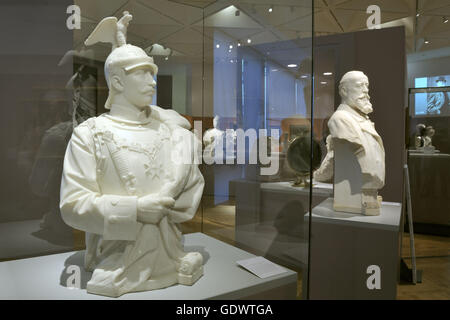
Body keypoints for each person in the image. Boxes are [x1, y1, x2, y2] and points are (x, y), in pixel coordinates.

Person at [60, 12, 204, 298]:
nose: (152, 81)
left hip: (171, 253)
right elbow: (72, 205)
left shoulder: (175, 136)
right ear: (117, 82)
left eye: (153, 73)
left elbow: (187, 199)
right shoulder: (91, 134)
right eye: (142, 73)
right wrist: (135, 210)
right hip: (114, 257)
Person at [327, 71, 385, 215]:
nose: (365, 90)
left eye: (367, 86)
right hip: (351, 194)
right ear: (344, 91)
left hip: (363, 189)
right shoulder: (340, 120)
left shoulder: (361, 118)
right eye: (360, 86)